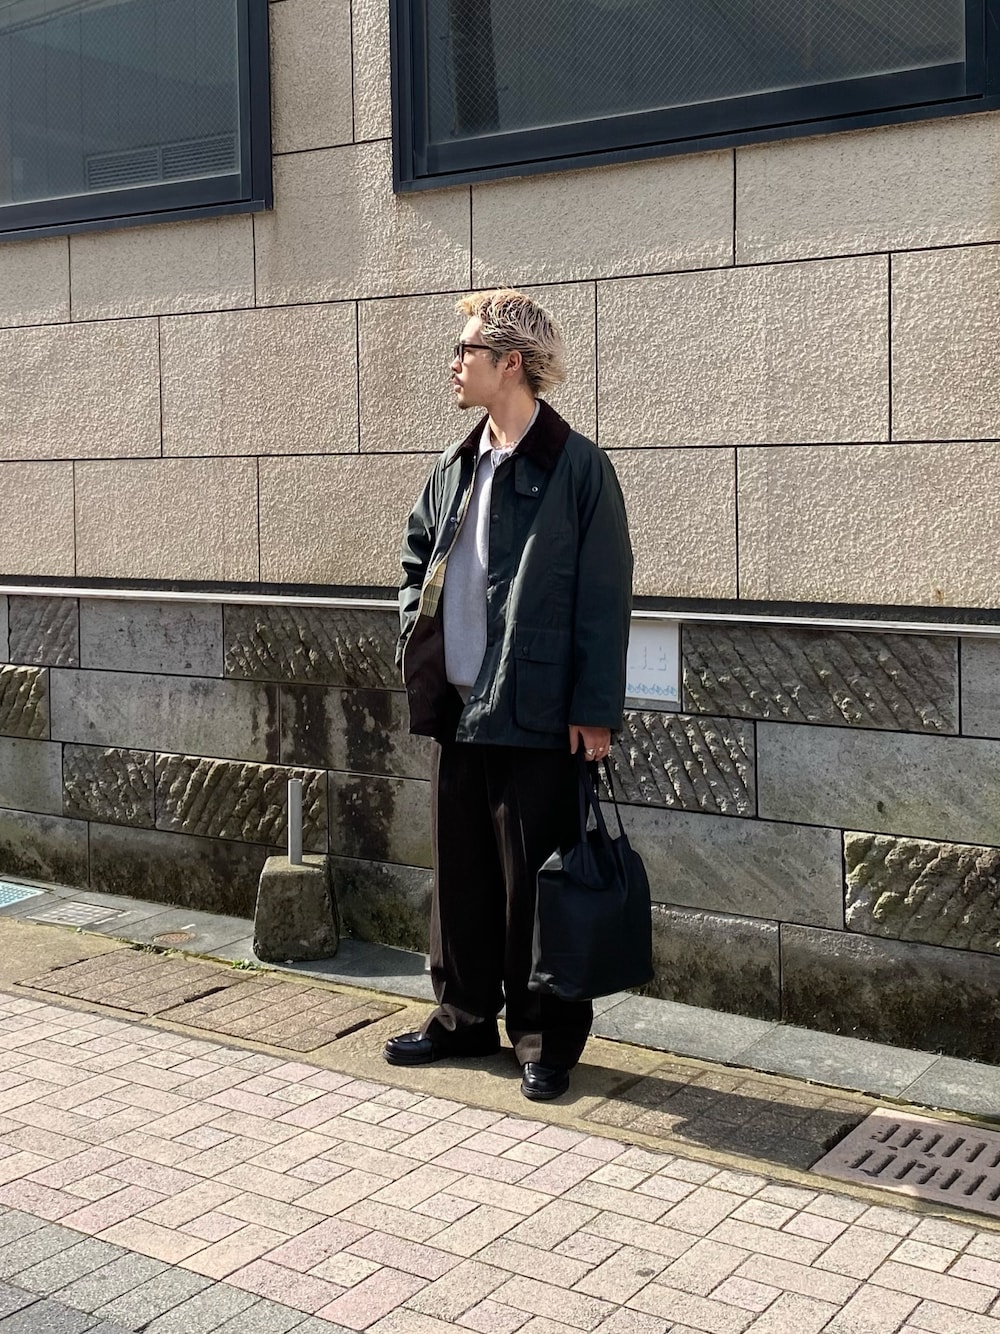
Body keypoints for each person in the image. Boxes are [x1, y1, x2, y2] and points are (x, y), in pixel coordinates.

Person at [383, 288, 633, 1101]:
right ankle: (462, 1017)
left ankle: (544, 1038)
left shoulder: (578, 468)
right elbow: (416, 558)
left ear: (511, 363)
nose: (454, 364)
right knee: (461, 880)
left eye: (467, 351)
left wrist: (593, 710)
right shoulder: (456, 464)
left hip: (537, 713)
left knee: (535, 885)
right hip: (458, 707)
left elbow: (604, 597)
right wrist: (416, 635)